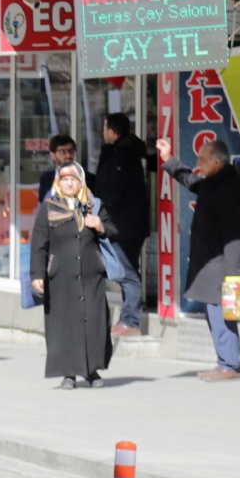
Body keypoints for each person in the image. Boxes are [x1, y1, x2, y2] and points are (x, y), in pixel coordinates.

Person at [157, 136, 240, 380]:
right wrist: (169, 160)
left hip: (222, 265)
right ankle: (225, 362)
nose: (198, 163)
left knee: (221, 314)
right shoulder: (213, 180)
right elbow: (191, 180)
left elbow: (235, 234)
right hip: (210, 263)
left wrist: (233, 274)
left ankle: (230, 365)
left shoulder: (229, 187)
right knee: (214, 313)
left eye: (202, 159)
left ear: (216, 161)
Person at [29, 162, 116, 388]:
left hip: (91, 277)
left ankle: (92, 371)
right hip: (61, 278)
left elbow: (114, 232)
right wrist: (37, 275)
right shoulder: (49, 208)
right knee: (65, 324)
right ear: (58, 182)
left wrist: (100, 226)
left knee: (94, 323)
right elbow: (38, 244)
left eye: (74, 179)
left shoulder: (94, 206)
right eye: (65, 179)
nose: (69, 183)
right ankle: (68, 373)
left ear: (81, 182)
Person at [95, 112, 150, 336]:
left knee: (127, 272)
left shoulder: (123, 155)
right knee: (128, 271)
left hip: (125, 225)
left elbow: (113, 189)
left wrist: (99, 204)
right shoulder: (121, 152)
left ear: (112, 132)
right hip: (127, 224)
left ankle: (131, 322)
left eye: (105, 127)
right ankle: (128, 319)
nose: (102, 132)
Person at [37, 133, 97, 201]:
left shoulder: (88, 178)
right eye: (63, 151)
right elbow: (42, 206)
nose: (68, 155)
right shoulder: (46, 178)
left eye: (71, 151)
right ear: (53, 155)